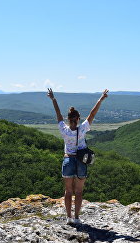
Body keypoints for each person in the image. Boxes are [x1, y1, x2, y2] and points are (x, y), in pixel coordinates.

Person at [47, 88, 109, 225]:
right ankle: (76, 217)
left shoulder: (63, 130)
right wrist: (101, 99)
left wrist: (53, 99)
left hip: (68, 160)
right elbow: (92, 114)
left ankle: (68, 217)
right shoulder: (82, 129)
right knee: (79, 192)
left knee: (68, 191)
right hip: (81, 161)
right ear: (78, 119)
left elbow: (58, 114)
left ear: (68, 119)